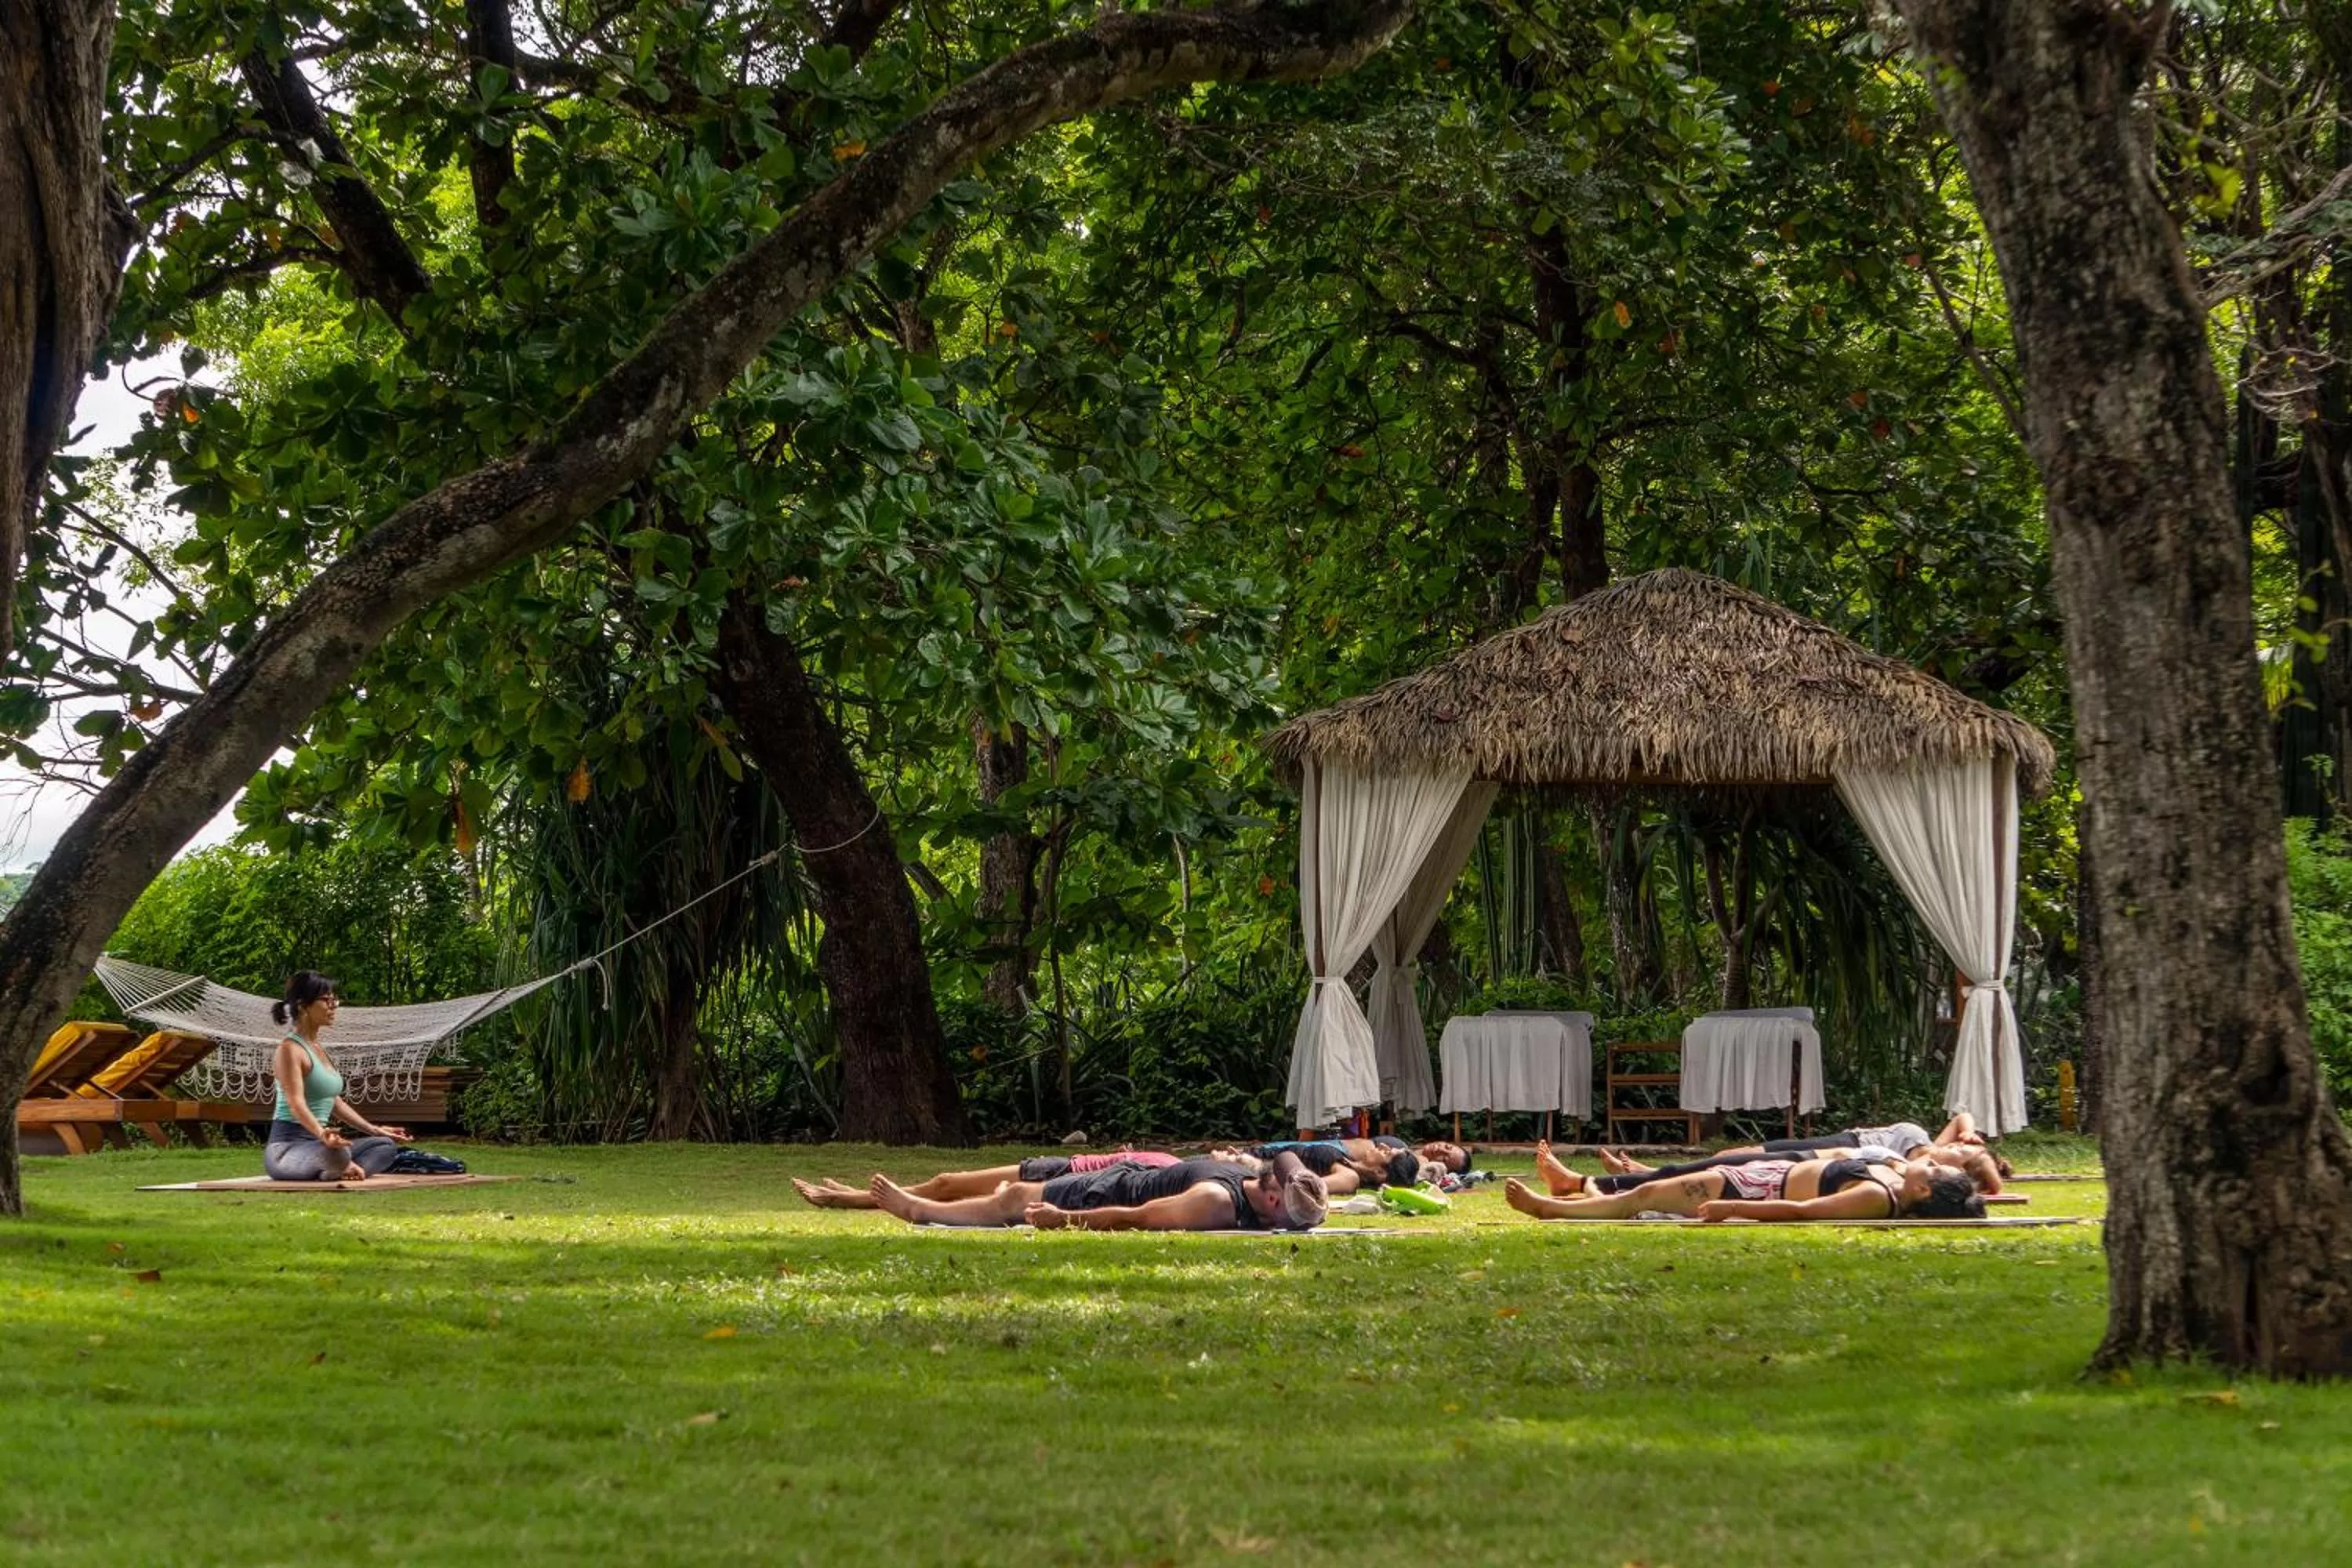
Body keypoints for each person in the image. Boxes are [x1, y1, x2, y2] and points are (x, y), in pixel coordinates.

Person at [862, 1153, 1328, 1231]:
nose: (1278, 1171)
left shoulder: (1220, 1199)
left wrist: (1065, 1220)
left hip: (1114, 1190)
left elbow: (1138, 1217)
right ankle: (923, 1206)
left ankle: (921, 1208)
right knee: (1013, 1195)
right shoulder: (1245, 1188)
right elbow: (1289, 1163)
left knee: (1014, 1199)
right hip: (1121, 1178)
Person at [1502, 1152, 1984, 1223]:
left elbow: (1804, 1212)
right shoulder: (1895, 1179)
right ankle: (1569, 1198)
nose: (1930, 1163)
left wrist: (1734, 1209)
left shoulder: (1877, 1197)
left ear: (1925, 1192)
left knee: (1644, 1196)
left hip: (1756, 1192)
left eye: (1934, 1170)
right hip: (1762, 1177)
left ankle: (1550, 1208)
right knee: (1648, 1192)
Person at [263, 971, 409, 1182]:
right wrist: (321, 1134)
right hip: (287, 1149)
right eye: (327, 1000)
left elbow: (334, 1101)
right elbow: (296, 1103)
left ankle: (341, 1170)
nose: (333, 1006)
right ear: (303, 1005)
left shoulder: (318, 1049)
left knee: (384, 1146)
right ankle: (341, 1167)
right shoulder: (289, 1049)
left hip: (321, 1144)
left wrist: (375, 1130)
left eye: (335, 1000)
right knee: (337, 1153)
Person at [1576, 1135, 2008, 1196]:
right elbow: (1962, 1121)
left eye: (1961, 1154)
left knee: (1702, 1175)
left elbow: (1806, 1210)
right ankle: (1596, 1182)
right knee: (1711, 1165)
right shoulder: (1913, 1158)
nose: (1958, 1144)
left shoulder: (1903, 1173)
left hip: (1791, 1169)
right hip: (1804, 1161)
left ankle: (1587, 1184)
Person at [792, 1150, 1181, 1210]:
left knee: (946, 1188)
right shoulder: (1182, 1165)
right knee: (946, 1185)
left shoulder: (1183, 1175)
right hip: (1065, 1166)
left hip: (1066, 1175)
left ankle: (850, 1198)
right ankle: (856, 1196)